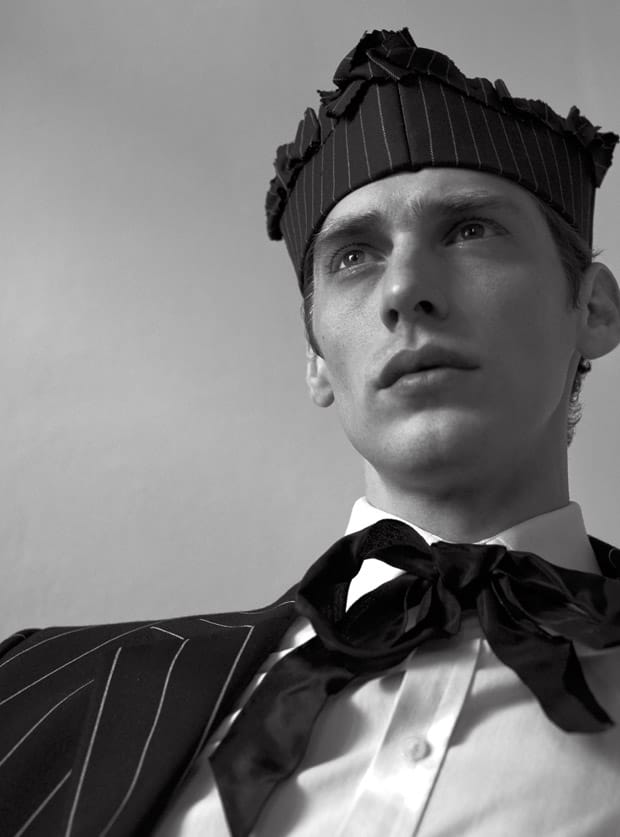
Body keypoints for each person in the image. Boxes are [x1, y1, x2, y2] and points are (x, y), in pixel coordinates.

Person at [1, 25, 619, 837]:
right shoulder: (42, 689)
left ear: (593, 308)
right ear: (317, 361)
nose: (404, 289)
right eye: (354, 256)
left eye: (470, 229)